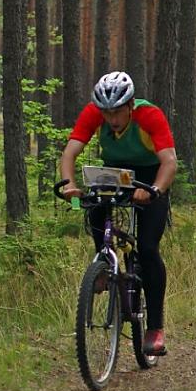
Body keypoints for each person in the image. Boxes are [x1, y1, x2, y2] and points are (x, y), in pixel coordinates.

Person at [59, 71, 177, 356]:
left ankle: (155, 328)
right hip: (114, 174)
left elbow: (170, 162)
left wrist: (155, 190)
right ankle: (104, 262)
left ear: (130, 105)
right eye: (106, 112)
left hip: (150, 175)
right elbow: (70, 153)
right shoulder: (93, 113)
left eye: (117, 112)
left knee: (148, 248)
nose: (112, 119)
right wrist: (69, 185)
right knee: (95, 205)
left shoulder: (149, 116)